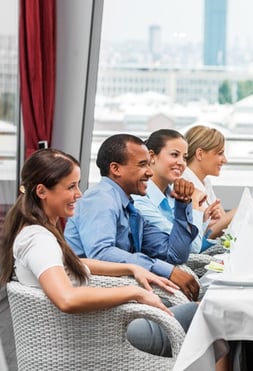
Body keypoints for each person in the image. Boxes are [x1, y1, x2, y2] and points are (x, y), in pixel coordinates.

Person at [0, 148, 198, 357]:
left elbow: (71, 262)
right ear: (42, 192)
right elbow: (67, 299)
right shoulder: (38, 240)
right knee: (201, 315)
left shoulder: (40, 234)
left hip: (94, 329)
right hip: (95, 338)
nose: (79, 194)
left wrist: (131, 267)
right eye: (71, 187)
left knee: (205, 320)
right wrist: (135, 292)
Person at [64, 134, 200, 301]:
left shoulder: (130, 209)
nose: (150, 172)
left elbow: (175, 255)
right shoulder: (100, 198)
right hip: (93, 293)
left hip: (119, 288)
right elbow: (100, 253)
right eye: (143, 165)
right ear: (116, 169)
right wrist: (161, 268)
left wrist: (182, 204)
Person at [182, 125, 253, 247]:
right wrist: (246, 206)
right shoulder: (185, 186)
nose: (225, 160)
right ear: (199, 154)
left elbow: (223, 225)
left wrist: (224, 218)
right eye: (220, 153)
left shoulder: (205, 183)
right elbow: (199, 240)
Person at [131, 129, 220, 254]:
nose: (181, 163)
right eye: (174, 155)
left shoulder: (173, 196)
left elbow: (196, 245)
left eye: (184, 157)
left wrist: (203, 219)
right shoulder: (140, 201)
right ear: (151, 157)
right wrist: (193, 204)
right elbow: (191, 248)